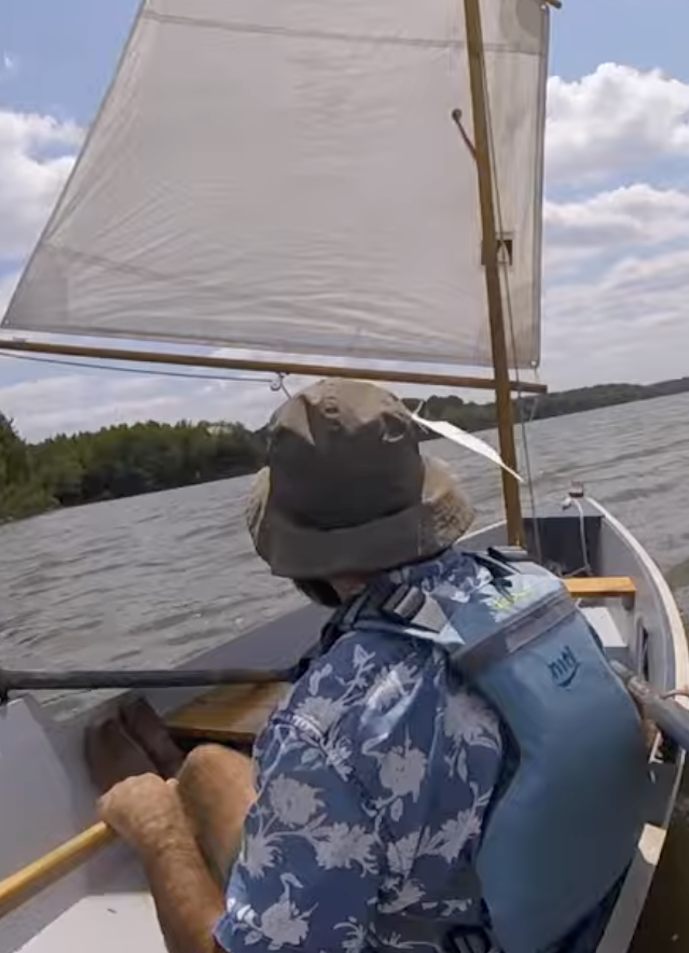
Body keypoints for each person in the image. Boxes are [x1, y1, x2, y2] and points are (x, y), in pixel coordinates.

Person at [93, 378, 645, 953]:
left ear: (302, 554)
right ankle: (171, 778)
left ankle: (157, 800)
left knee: (186, 795)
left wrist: (159, 838)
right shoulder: (535, 589)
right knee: (207, 765)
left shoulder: (325, 730)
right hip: (579, 916)